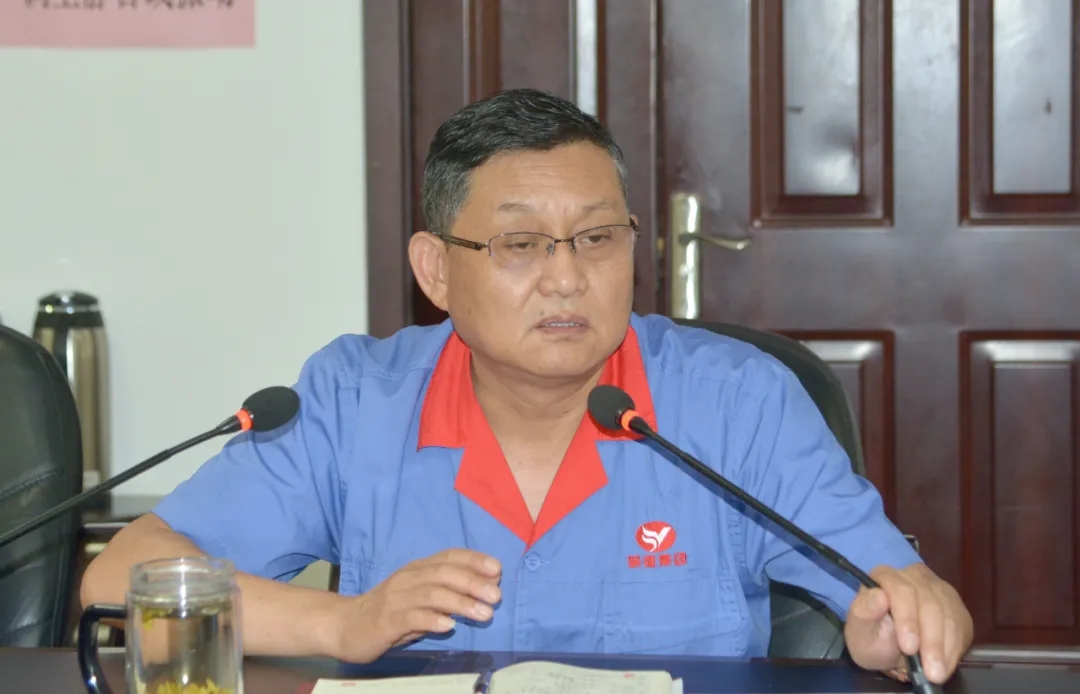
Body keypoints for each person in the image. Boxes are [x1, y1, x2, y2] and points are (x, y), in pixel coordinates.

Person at [81, 88, 972, 684]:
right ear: (435, 270)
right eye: (520, 244)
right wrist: (343, 624)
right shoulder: (357, 402)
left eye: (599, 238)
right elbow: (116, 579)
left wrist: (899, 627)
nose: (568, 278)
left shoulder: (738, 403)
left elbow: (891, 591)